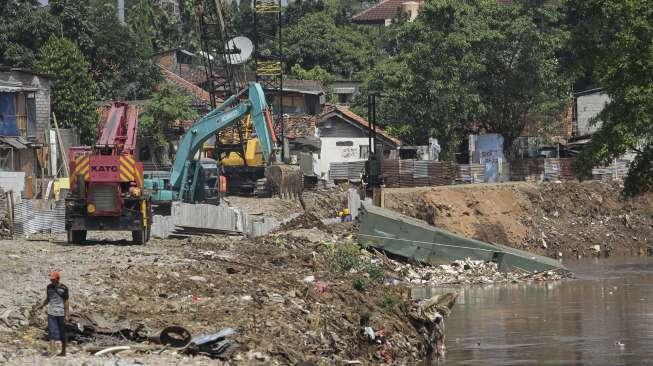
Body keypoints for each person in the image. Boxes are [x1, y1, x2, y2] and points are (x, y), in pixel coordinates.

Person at [36, 271, 69, 356]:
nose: (52, 281)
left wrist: (67, 314)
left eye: (53, 279)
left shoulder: (64, 288)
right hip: (51, 312)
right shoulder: (49, 287)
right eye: (51, 280)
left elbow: (66, 301)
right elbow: (48, 299)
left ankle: (63, 352)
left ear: (58, 279)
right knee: (52, 331)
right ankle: (52, 352)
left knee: (62, 333)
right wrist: (41, 305)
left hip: (61, 313)